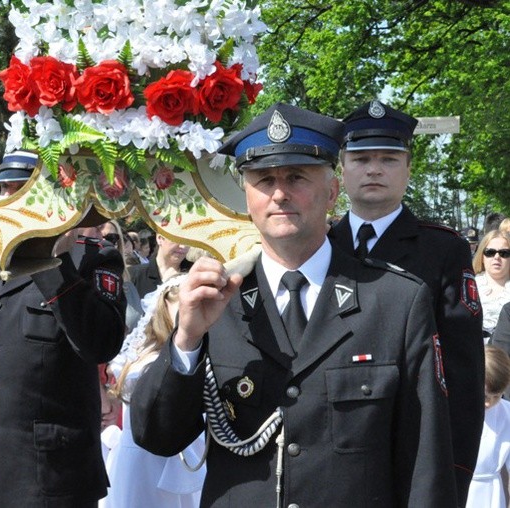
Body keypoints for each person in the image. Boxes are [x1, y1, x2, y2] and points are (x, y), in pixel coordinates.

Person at [130, 102, 458, 506]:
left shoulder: (396, 301)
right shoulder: (216, 300)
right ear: (246, 197)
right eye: (263, 180)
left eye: (297, 177)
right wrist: (187, 340)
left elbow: (426, 461)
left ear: (333, 190)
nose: (280, 193)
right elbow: (157, 436)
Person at [329, 99, 484, 504]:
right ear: (341, 169)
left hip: (411, 447)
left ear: (408, 169)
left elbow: (463, 374)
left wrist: (452, 475)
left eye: (389, 159)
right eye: (361, 158)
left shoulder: (443, 249)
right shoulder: (321, 246)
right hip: (331, 449)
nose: (374, 169)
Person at [0, 150, 128, 507]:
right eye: (4, 190)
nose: (9, 201)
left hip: (56, 479)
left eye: (20, 190)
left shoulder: (93, 257)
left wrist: (50, 262)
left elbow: (102, 343)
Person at [102, 276, 205, 508]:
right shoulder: (145, 353)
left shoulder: (188, 356)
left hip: (171, 453)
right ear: (164, 308)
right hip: (135, 452)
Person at [466, 346, 510, 508]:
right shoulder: (457, 410)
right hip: (460, 486)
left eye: (496, 396)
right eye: (484, 396)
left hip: (491, 494)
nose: (489, 403)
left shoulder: (507, 413)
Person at [129, 233, 191, 298]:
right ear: (160, 238)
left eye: (188, 241)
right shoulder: (134, 275)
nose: (183, 246)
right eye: (177, 239)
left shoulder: (193, 274)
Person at [473, 230, 510, 339]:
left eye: (504, 253)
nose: (497, 257)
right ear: (482, 256)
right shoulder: (468, 286)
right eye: (490, 252)